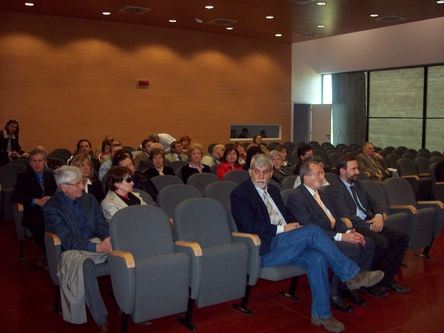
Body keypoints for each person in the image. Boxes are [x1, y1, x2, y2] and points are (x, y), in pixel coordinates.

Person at [230, 154, 383, 333]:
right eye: (256, 172)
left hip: (287, 242)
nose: (261, 177)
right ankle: (351, 274)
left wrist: (295, 226)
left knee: (317, 258)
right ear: (249, 172)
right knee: (313, 231)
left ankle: (321, 314)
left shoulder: (273, 190)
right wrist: (282, 229)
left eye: (265, 172)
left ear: (271, 173)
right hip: (265, 248)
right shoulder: (240, 194)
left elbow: (287, 216)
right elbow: (248, 225)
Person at [287, 161, 374, 313]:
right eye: (318, 174)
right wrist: (341, 237)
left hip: (331, 234)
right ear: (306, 178)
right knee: (352, 249)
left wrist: (348, 232)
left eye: (322, 173)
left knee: (367, 243)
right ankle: (333, 294)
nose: (322, 177)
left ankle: (346, 286)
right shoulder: (297, 197)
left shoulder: (322, 194)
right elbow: (309, 229)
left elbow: (336, 219)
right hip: (315, 240)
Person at [327, 155, 410, 297]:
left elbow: (373, 202)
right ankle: (370, 281)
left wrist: (378, 216)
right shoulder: (335, 189)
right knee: (381, 242)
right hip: (354, 225)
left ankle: (386, 279)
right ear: (342, 171)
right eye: (353, 169)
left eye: (357, 168)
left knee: (401, 237)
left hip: (369, 221)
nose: (357, 171)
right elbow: (347, 215)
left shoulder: (357, 184)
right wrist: (369, 226)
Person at [42, 166, 111, 333]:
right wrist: (97, 247)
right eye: (77, 184)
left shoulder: (89, 199)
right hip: (72, 250)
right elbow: (66, 239)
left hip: (96, 242)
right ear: (64, 187)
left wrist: (108, 239)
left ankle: (130, 305)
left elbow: (101, 225)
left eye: (81, 182)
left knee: (124, 255)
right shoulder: (52, 207)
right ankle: (101, 319)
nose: (82, 187)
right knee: (85, 265)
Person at [11, 148, 57, 269]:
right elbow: (15, 196)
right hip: (33, 211)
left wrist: (50, 199)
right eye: (34, 161)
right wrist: (35, 201)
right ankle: (50, 253)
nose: (37, 163)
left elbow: (59, 194)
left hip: (50, 209)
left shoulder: (51, 176)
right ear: (30, 163)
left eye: (40, 160)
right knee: (37, 222)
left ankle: (54, 252)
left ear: (45, 162)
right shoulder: (23, 177)